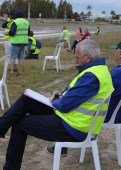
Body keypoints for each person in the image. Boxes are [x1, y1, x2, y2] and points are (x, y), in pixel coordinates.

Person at [0, 39, 113, 170]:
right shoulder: (99, 71)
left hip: (74, 128)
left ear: (87, 57)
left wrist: (56, 100)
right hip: (71, 119)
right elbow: (74, 96)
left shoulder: (91, 77)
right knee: (27, 99)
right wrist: (59, 95)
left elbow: (64, 105)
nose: (75, 61)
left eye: (77, 58)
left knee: (20, 124)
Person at [46, 39, 121, 154]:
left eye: (116, 50)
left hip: (104, 113)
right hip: (119, 112)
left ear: (120, 53)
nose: (114, 53)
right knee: (73, 100)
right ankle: (61, 145)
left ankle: (62, 144)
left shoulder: (119, 73)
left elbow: (93, 87)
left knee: (70, 104)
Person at [8, 9, 30, 76]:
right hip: (23, 42)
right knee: (21, 58)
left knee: (13, 57)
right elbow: (28, 33)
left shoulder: (15, 22)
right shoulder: (27, 22)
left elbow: (12, 33)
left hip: (16, 42)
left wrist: (9, 32)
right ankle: (20, 72)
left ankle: (11, 72)